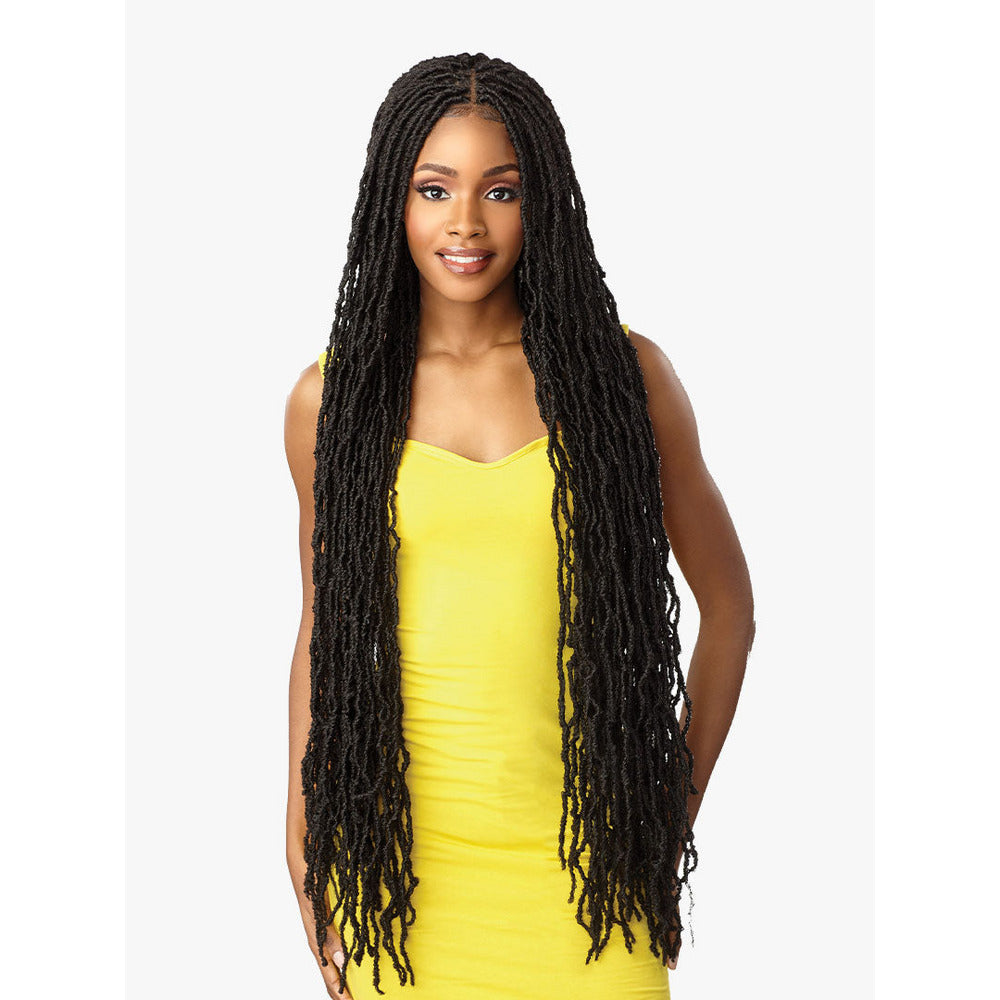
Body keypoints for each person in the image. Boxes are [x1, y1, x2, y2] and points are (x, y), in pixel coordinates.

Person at [283, 53, 754, 1000]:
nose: (465, 223)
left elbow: (730, 613)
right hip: (401, 882)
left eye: (500, 190)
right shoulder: (333, 402)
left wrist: (668, 819)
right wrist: (302, 842)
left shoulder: (625, 382)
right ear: (392, 201)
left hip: (591, 879)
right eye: (434, 189)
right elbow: (322, 631)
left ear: (545, 203)